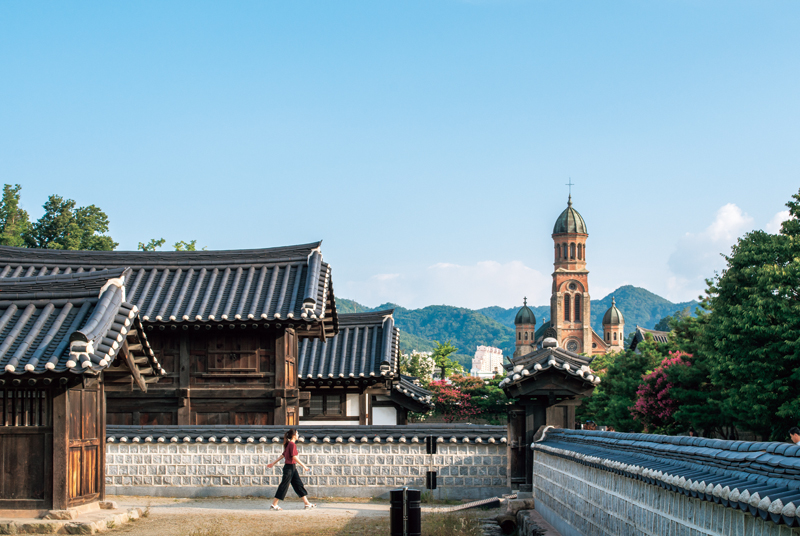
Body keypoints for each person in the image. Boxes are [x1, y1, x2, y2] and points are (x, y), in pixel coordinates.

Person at [267, 429, 316, 510]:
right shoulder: (291, 444)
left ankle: (307, 503)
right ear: (293, 435)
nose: (298, 435)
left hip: (292, 468)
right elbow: (294, 456)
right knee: (284, 486)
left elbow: (282, 456)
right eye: (297, 433)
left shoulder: (289, 444)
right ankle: (274, 504)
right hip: (289, 468)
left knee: (298, 485)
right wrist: (304, 466)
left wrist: (273, 463)